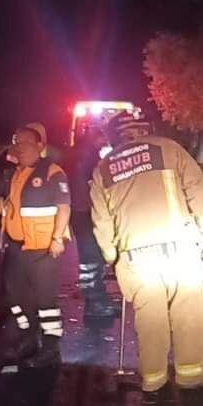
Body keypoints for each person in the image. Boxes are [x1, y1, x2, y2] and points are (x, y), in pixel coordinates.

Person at [89, 111, 203, 391]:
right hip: (179, 249)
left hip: (136, 257)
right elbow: (196, 188)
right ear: (144, 129)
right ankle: (190, 374)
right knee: (188, 311)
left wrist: (110, 254)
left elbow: (101, 219)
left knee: (150, 317)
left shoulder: (103, 168)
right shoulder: (168, 148)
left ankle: (153, 378)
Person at [0, 125, 71, 369]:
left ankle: (50, 347)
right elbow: (2, 196)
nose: (19, 147)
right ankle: (28, 337)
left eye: (25, 143)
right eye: (16, 142)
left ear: (39, 147)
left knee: (46, 301)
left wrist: (57, 238)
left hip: (43, 250)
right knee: (13, 295)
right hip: (16, 248)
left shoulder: (51, 171)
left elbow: (64, 206)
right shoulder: (12, 173)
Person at [63, 125, 115, 321]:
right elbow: (93, 183)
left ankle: (95, 300)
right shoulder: (88, 156)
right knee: (92, 259)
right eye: (104, 138)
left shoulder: (77, 152)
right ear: (97, 137)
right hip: (86, 211)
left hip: (79, 211)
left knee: (90, 259)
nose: (106, 143)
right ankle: (96, 302)